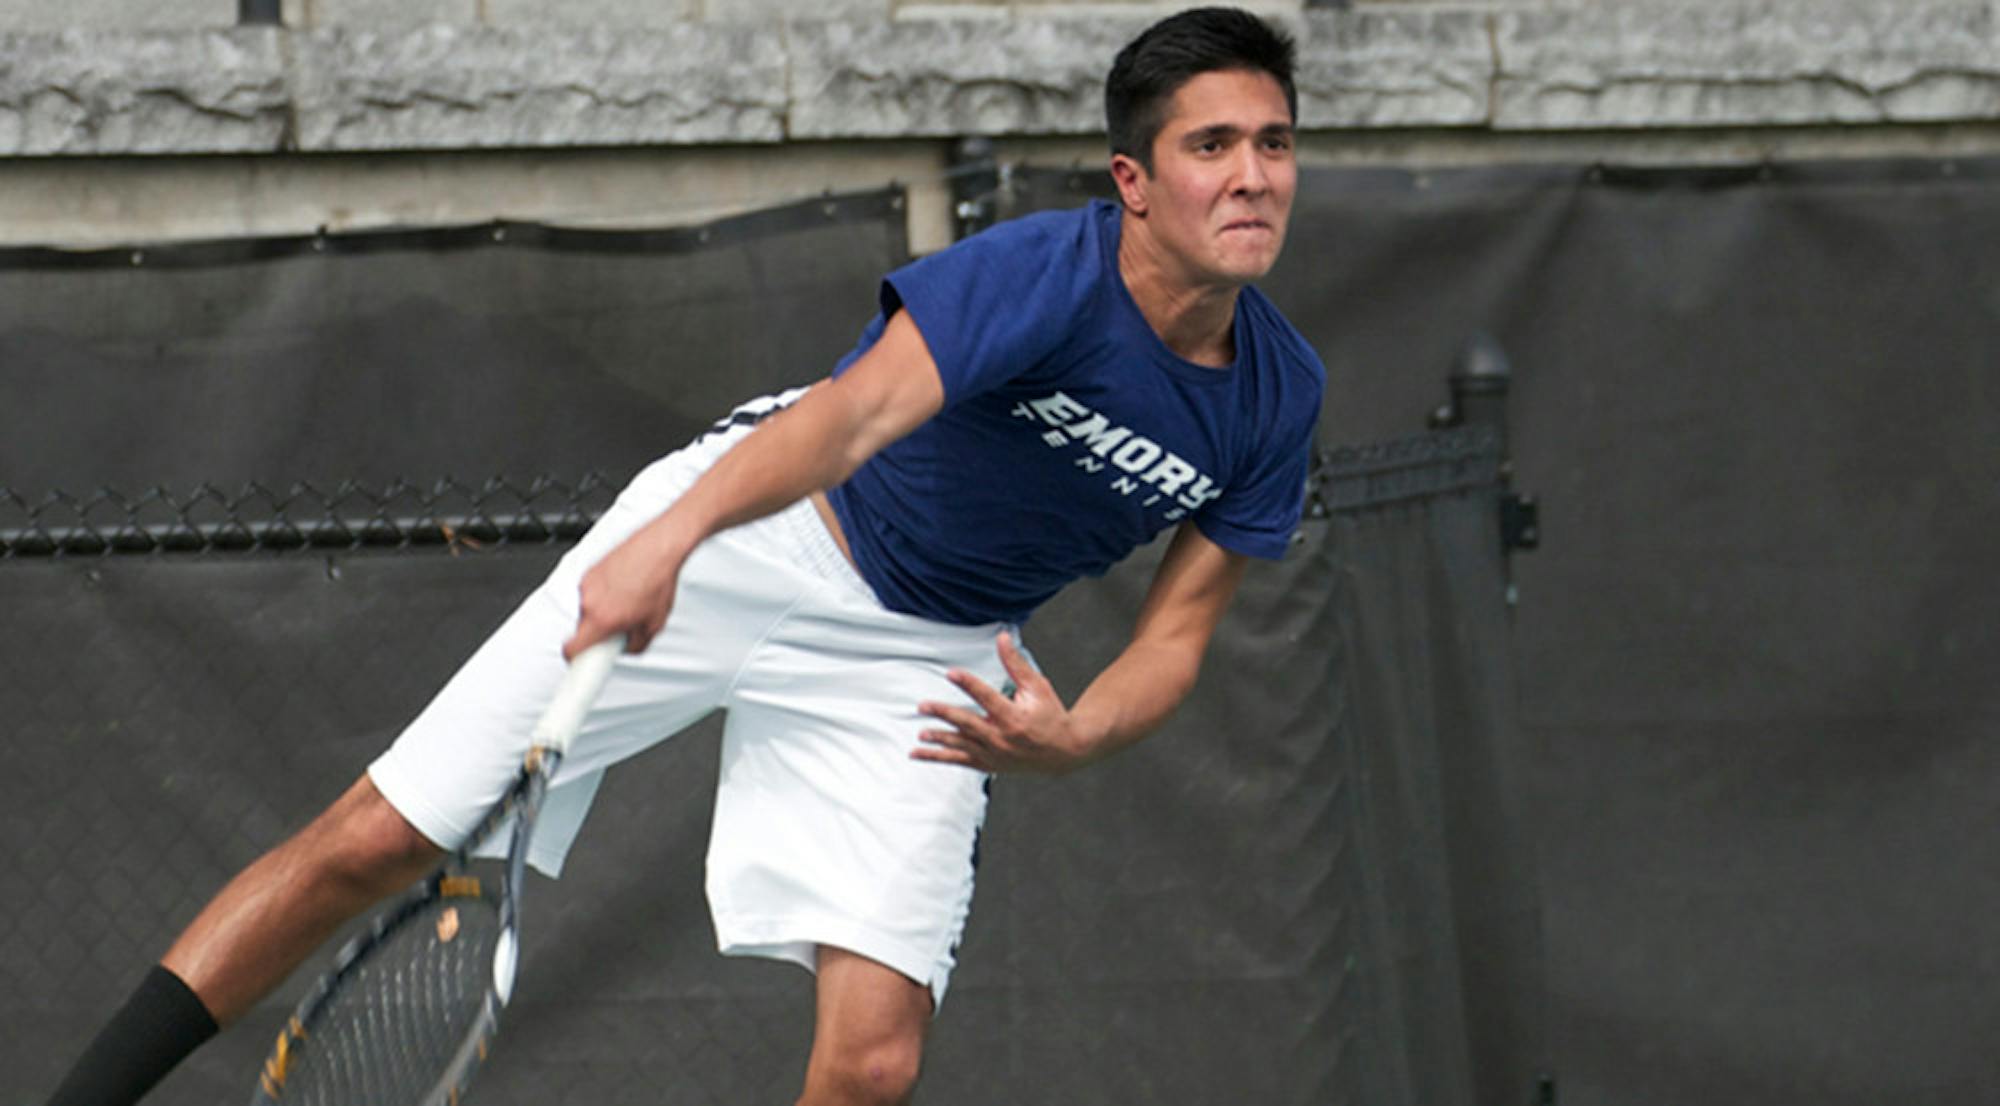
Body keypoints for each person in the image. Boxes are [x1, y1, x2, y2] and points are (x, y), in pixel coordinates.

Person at [46, 7, 1323, 1105]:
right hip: (767, 533)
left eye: (1271, 144)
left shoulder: (1275, 393)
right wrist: (670, 540)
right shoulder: (1042, 275)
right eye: (1210, 145)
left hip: (927, 656)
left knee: (873, 1065)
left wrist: (1080, 733)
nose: (1251, 175)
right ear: (1134, 180)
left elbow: (1174, 634)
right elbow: (853, 414)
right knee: (376, 840)